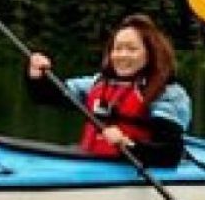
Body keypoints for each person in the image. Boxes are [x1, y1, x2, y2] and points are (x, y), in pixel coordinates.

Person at [27, 13, 191, 167]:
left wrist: (127, 144)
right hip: (92, 160)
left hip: (136, 166)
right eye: (117, 48)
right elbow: (48, 96)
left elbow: (170, 153)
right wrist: (38, 77)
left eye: (131, 49)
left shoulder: (167, 94)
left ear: (150, 54)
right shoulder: (97, 83)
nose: (122, 55)